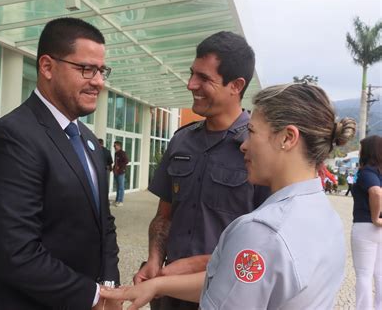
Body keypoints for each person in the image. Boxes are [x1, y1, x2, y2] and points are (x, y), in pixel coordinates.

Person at [102, 83, 356, 309]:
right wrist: (158, 286)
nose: (244, 144)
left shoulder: (261, 232)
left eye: (253, 132)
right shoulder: (327, 217)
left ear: (287, 138)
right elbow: (238, 285)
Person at [0, 17, 121, 310]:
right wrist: (92, 295)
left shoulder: (87, 139)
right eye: (87, 69)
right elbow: (16, 251)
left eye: (101, 70)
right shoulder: (13, 137)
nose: (99, 82)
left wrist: (109, 286)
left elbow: (104, 223)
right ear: (47, 67)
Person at [133, 31, 269, 310]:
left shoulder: (258, 150)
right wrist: (155, 260)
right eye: (192, 73)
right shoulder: (181, 141)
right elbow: (164, 216)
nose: (190, 84)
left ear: (236, 85)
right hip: (167, 293)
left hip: (225, 295)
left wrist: (195, 267)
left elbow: (265, 245)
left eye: (204, 78)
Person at [351, 135, 382, 310]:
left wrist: (375, 217)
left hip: (365, 226)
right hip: (380, 230)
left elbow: (376, 192)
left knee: (364, 274)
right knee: (380, 273)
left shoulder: (366, 172)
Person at [113, 141, 128, 207]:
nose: (114, 147)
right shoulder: (116, 153)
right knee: (118, 187)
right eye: (114, 145)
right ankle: (117, 200)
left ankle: (120, 201)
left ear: (119, 146)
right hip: (116, 172)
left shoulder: (122, 153)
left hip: (121, 172)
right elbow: (116, 162)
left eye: (115, 145)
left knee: (121, 187)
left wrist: (119, 166)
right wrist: (114, 168)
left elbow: (126, 161)